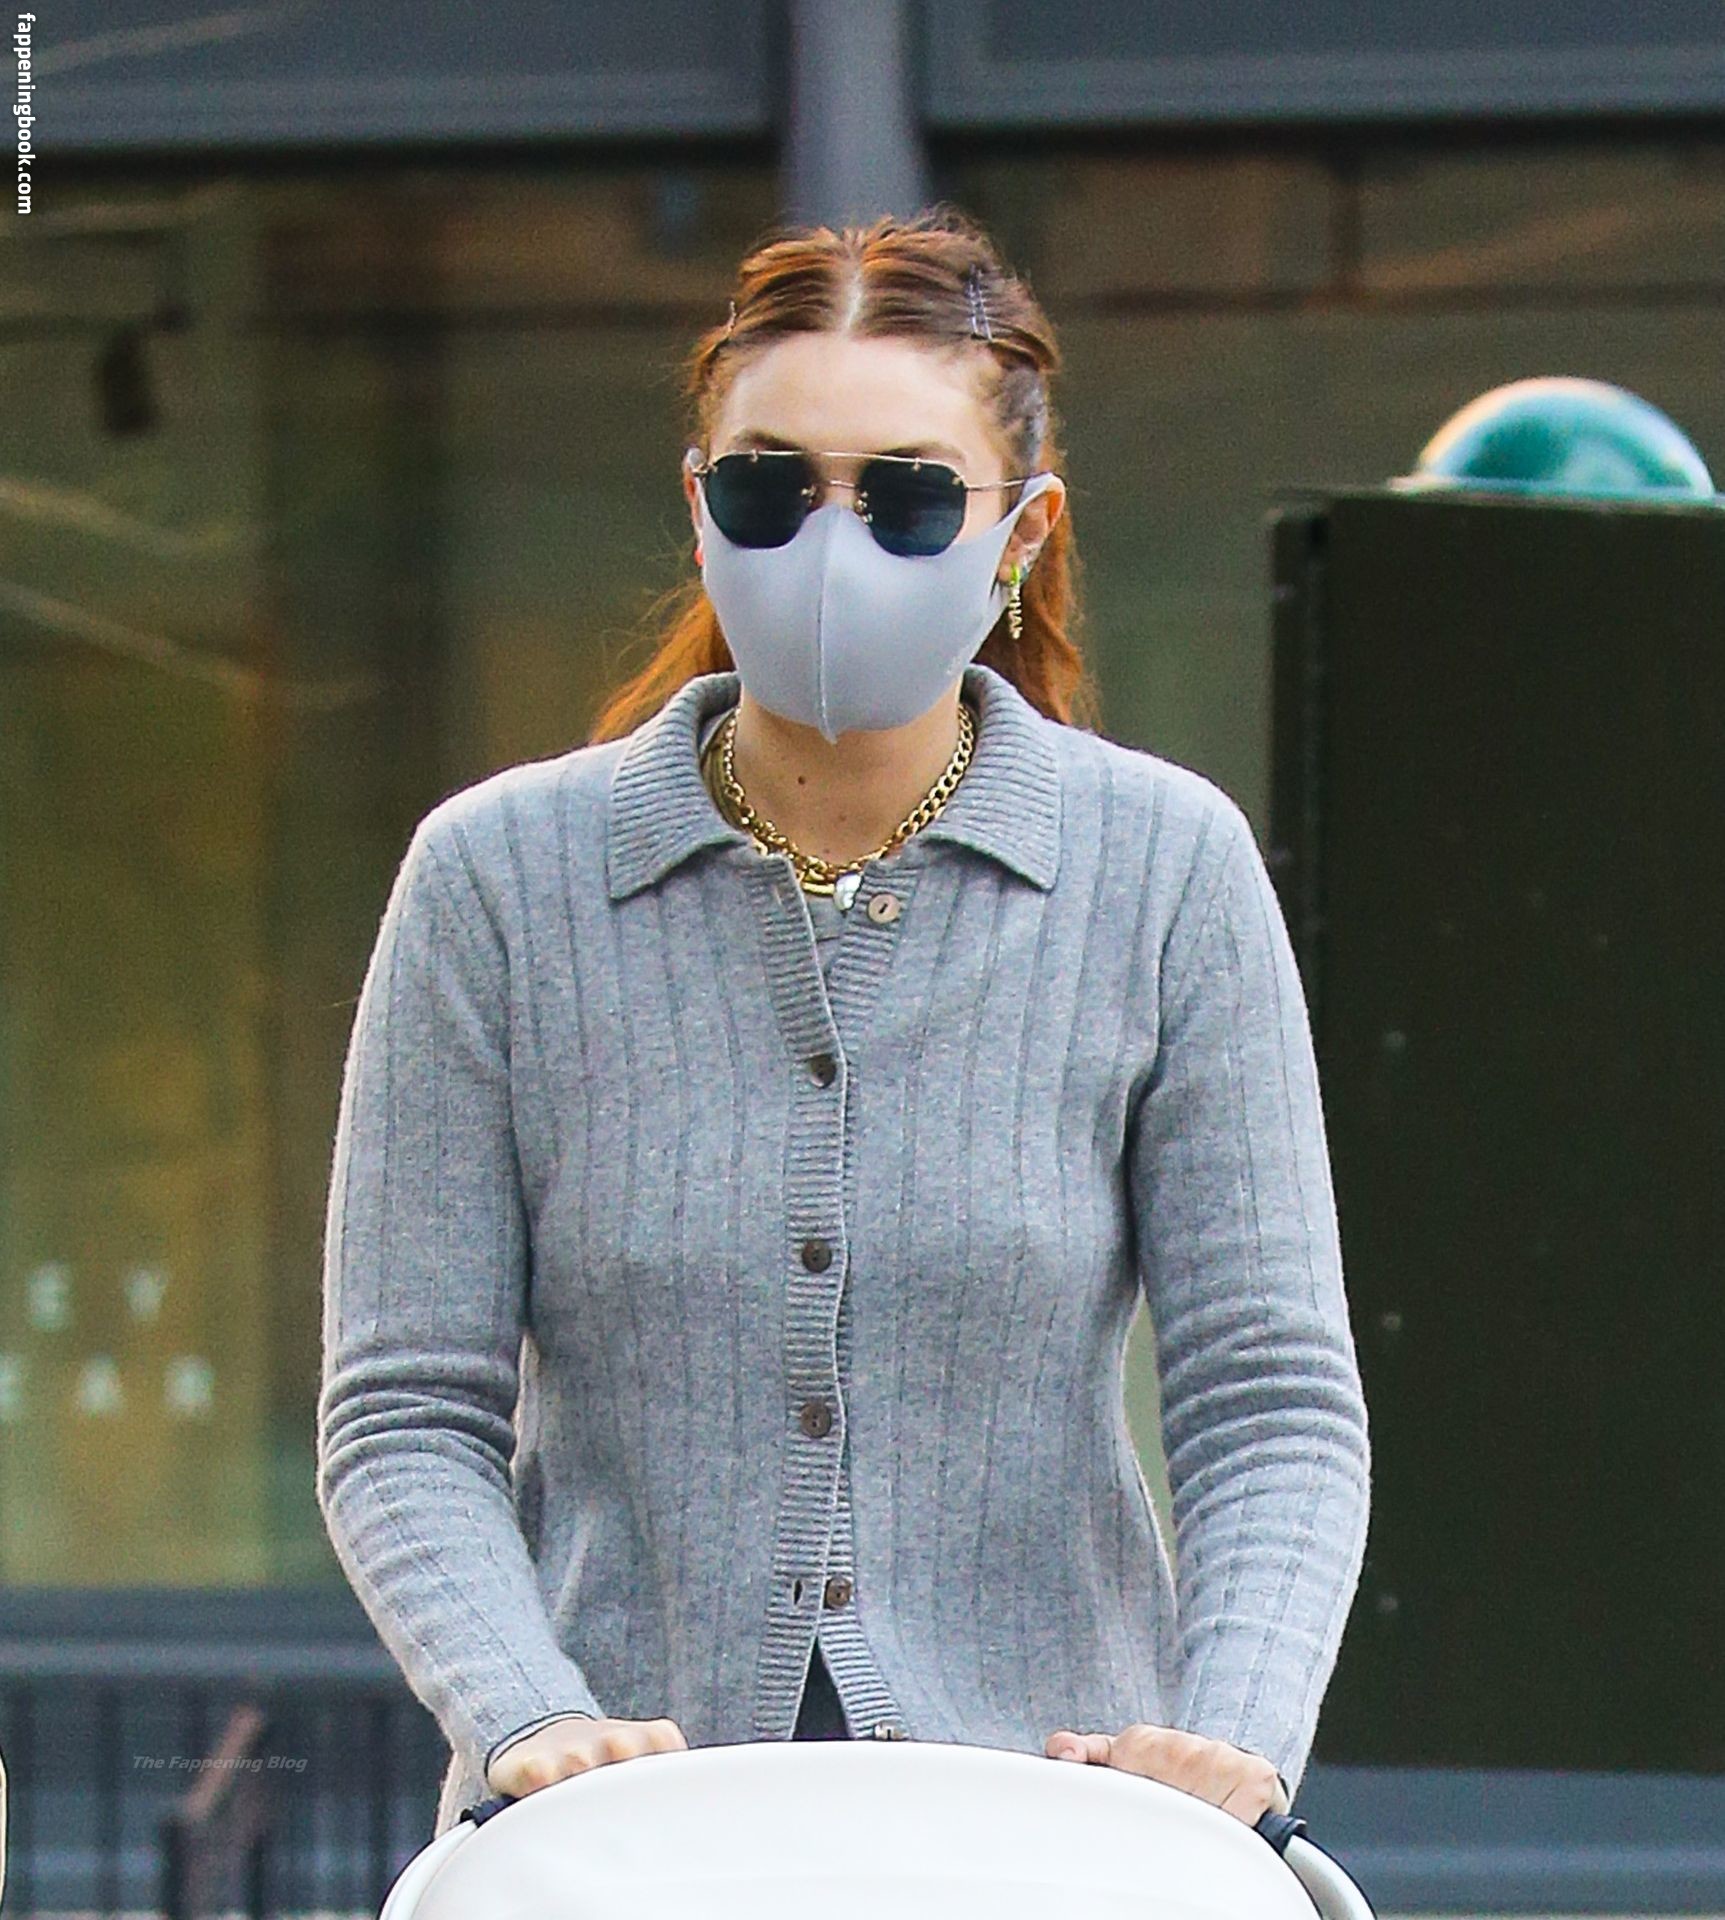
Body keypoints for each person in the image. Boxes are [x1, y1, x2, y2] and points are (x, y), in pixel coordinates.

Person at [317, 205, 1371, 1841]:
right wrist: (530, 1715)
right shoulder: (496, 881)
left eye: (905, 493)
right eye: (770, 486)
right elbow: (401, 1412)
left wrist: (1225, 1740)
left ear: (1018, 533)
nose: (830, 540)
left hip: (1053, 1831)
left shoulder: (1165, 868)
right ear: (698, 508)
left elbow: (1270, 1399)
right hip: (611, 1842)